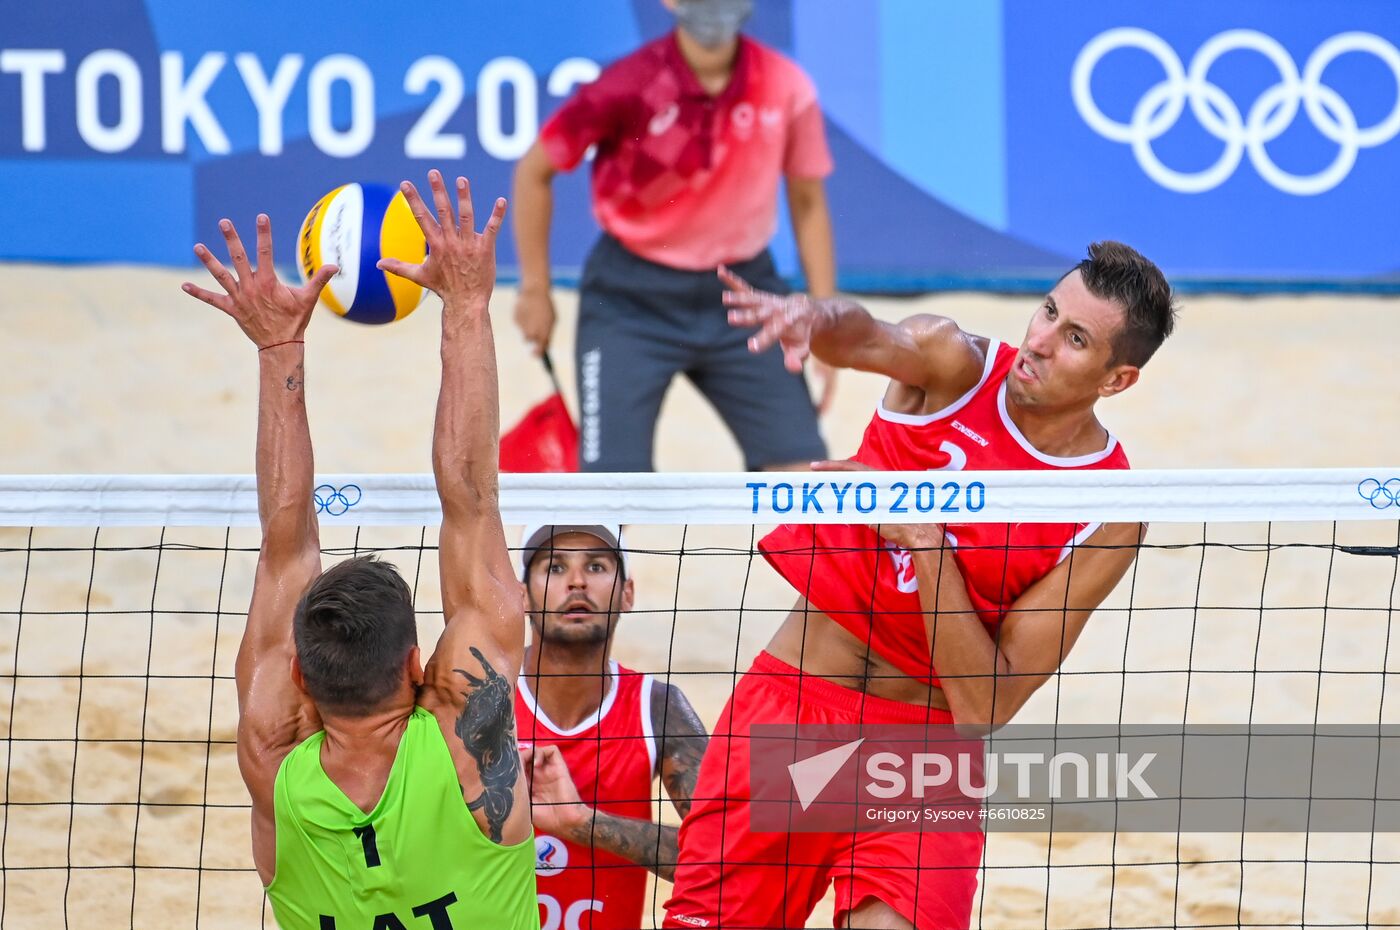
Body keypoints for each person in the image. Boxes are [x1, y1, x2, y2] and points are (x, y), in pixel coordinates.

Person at [663, 241, 1177, 929]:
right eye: (1048, 312)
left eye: (1075, 338)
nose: (1041, 342)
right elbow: (867, 335)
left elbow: (985, 703)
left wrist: (925, 539)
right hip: (792, 712)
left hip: (924, 751)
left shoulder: (1109, 512)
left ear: (1116, 380)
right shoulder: (953, 365)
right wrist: (810, 316)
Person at [182, 170, 539, 929]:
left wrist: (279, 347)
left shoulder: (272, 761)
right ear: (418, 668)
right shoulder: (467, 749)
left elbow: (286, 553)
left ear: (300, 676)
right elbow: (471, 504)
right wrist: (467, 307)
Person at [512, 0, 837, 472]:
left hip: (746, 298)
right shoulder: (626, 85)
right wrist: (535, 289)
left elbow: (809, 204)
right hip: (629, 300)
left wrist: (823, 316)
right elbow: (533, 172)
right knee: (610, 494)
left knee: (803, 481)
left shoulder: (786, 84)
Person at [514, 524, 708, 930]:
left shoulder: (656, 707)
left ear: (627, 594)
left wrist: (581, 823)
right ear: (521, 596)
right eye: (555, 567)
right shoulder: (483, 699)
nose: (577, 581)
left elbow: (724, 852)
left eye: (597, 566)